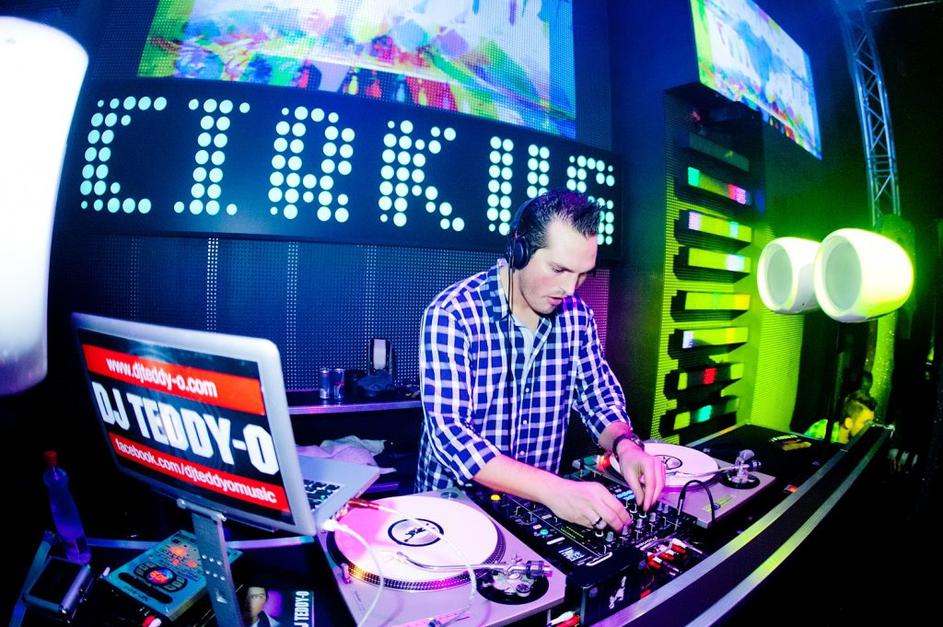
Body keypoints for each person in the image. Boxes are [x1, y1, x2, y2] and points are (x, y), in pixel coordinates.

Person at [416, 190, 665, 532]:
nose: (570, 289)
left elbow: (598, 400)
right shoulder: (453, 314)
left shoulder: (578, 318)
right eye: (559, 269)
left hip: (533, 516)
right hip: (454, 514)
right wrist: (554, 489)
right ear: (519, 250)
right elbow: (451, 435)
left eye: (583, 274)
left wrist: (626, 446)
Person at [804, 390, 877, 444]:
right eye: (866, 423)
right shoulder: (823, 430)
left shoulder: (858, 442)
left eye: (871, 423)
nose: (869, 427)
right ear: (848, 423)